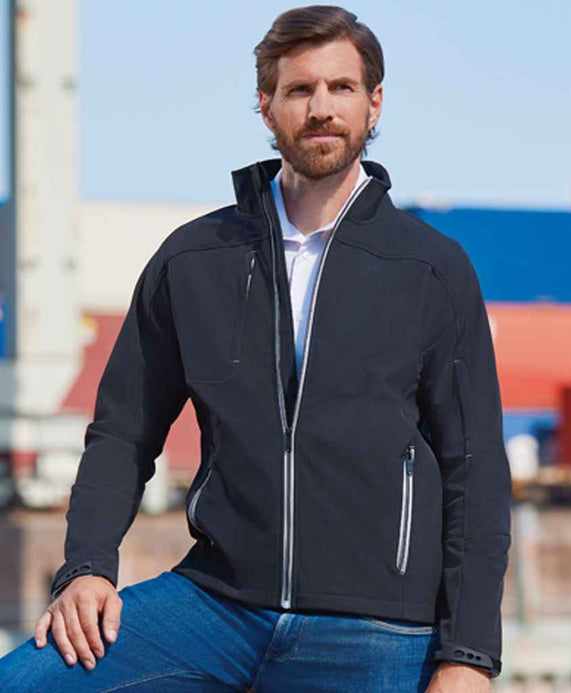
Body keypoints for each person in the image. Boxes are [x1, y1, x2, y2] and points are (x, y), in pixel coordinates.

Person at [0, 5, 512, 691]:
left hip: (375, 628)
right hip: (216, 605)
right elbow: (123, 431)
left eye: (341, 87)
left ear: (374, 103)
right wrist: (86, 568)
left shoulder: (432, 270)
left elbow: (475, 470)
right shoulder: (194, 259)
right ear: (267, 106)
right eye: (299, 89)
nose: (321, 108)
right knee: (26, 681)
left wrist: (468, 655)